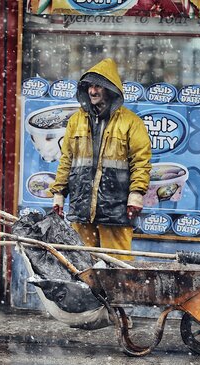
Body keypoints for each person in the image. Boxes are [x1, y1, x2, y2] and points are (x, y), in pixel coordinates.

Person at [50, 58, 151, 259]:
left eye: (98, 86)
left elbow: (141, 161)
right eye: (89, 86)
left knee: (117, 267)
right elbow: (67, 160)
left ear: (110, 89)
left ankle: (117, 292)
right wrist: (59, 193)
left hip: (116, 209)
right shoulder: (76, 120)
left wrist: (136, 194)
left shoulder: (131, 122)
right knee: (83, 264)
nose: (93, 91)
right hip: (82, 207)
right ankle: (87, 292)